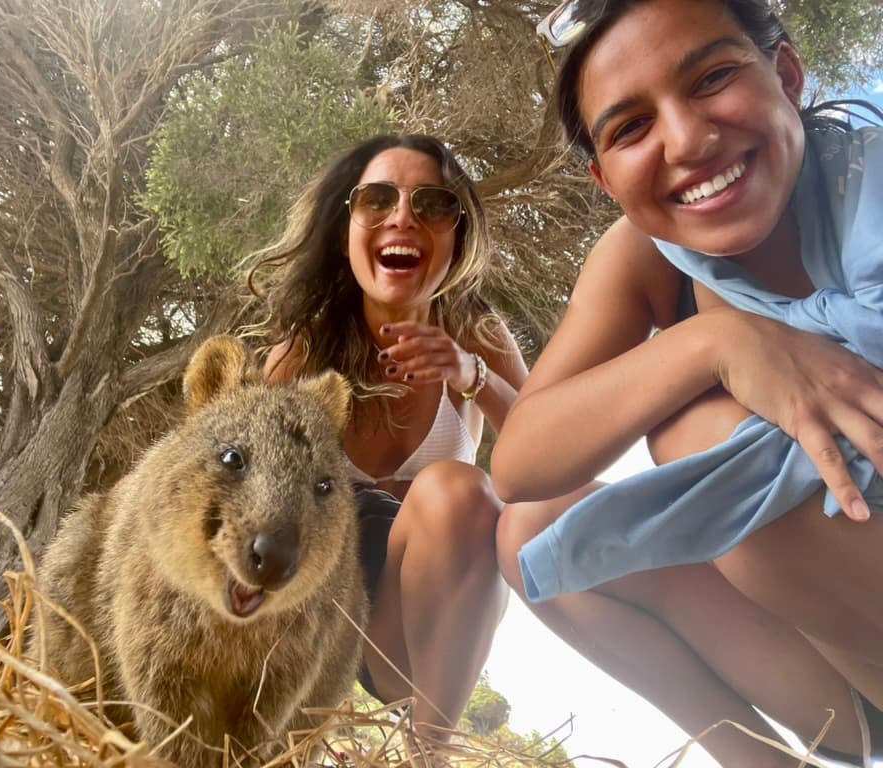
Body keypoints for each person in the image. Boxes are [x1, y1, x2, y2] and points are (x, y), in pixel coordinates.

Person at [491, 1, 883, 766]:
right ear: (606, 180)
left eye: (712, 78)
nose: (688, 140)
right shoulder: (649, 255)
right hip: (848, 659)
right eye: (631, 127)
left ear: (788, 75)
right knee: (536, 533)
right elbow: (518, 466)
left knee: (695, 436)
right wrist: (716, 342)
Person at [244, 134, 530, 735]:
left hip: (422, 636)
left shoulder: (476, 335)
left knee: (459, 490)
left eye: (432, 204)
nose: (402, 216)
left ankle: (431, 750)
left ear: (458, 233)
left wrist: (470, 374)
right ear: (347, 225)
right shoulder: (300, 360)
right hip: (318, 623)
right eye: (377, 198)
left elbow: (551, 455)